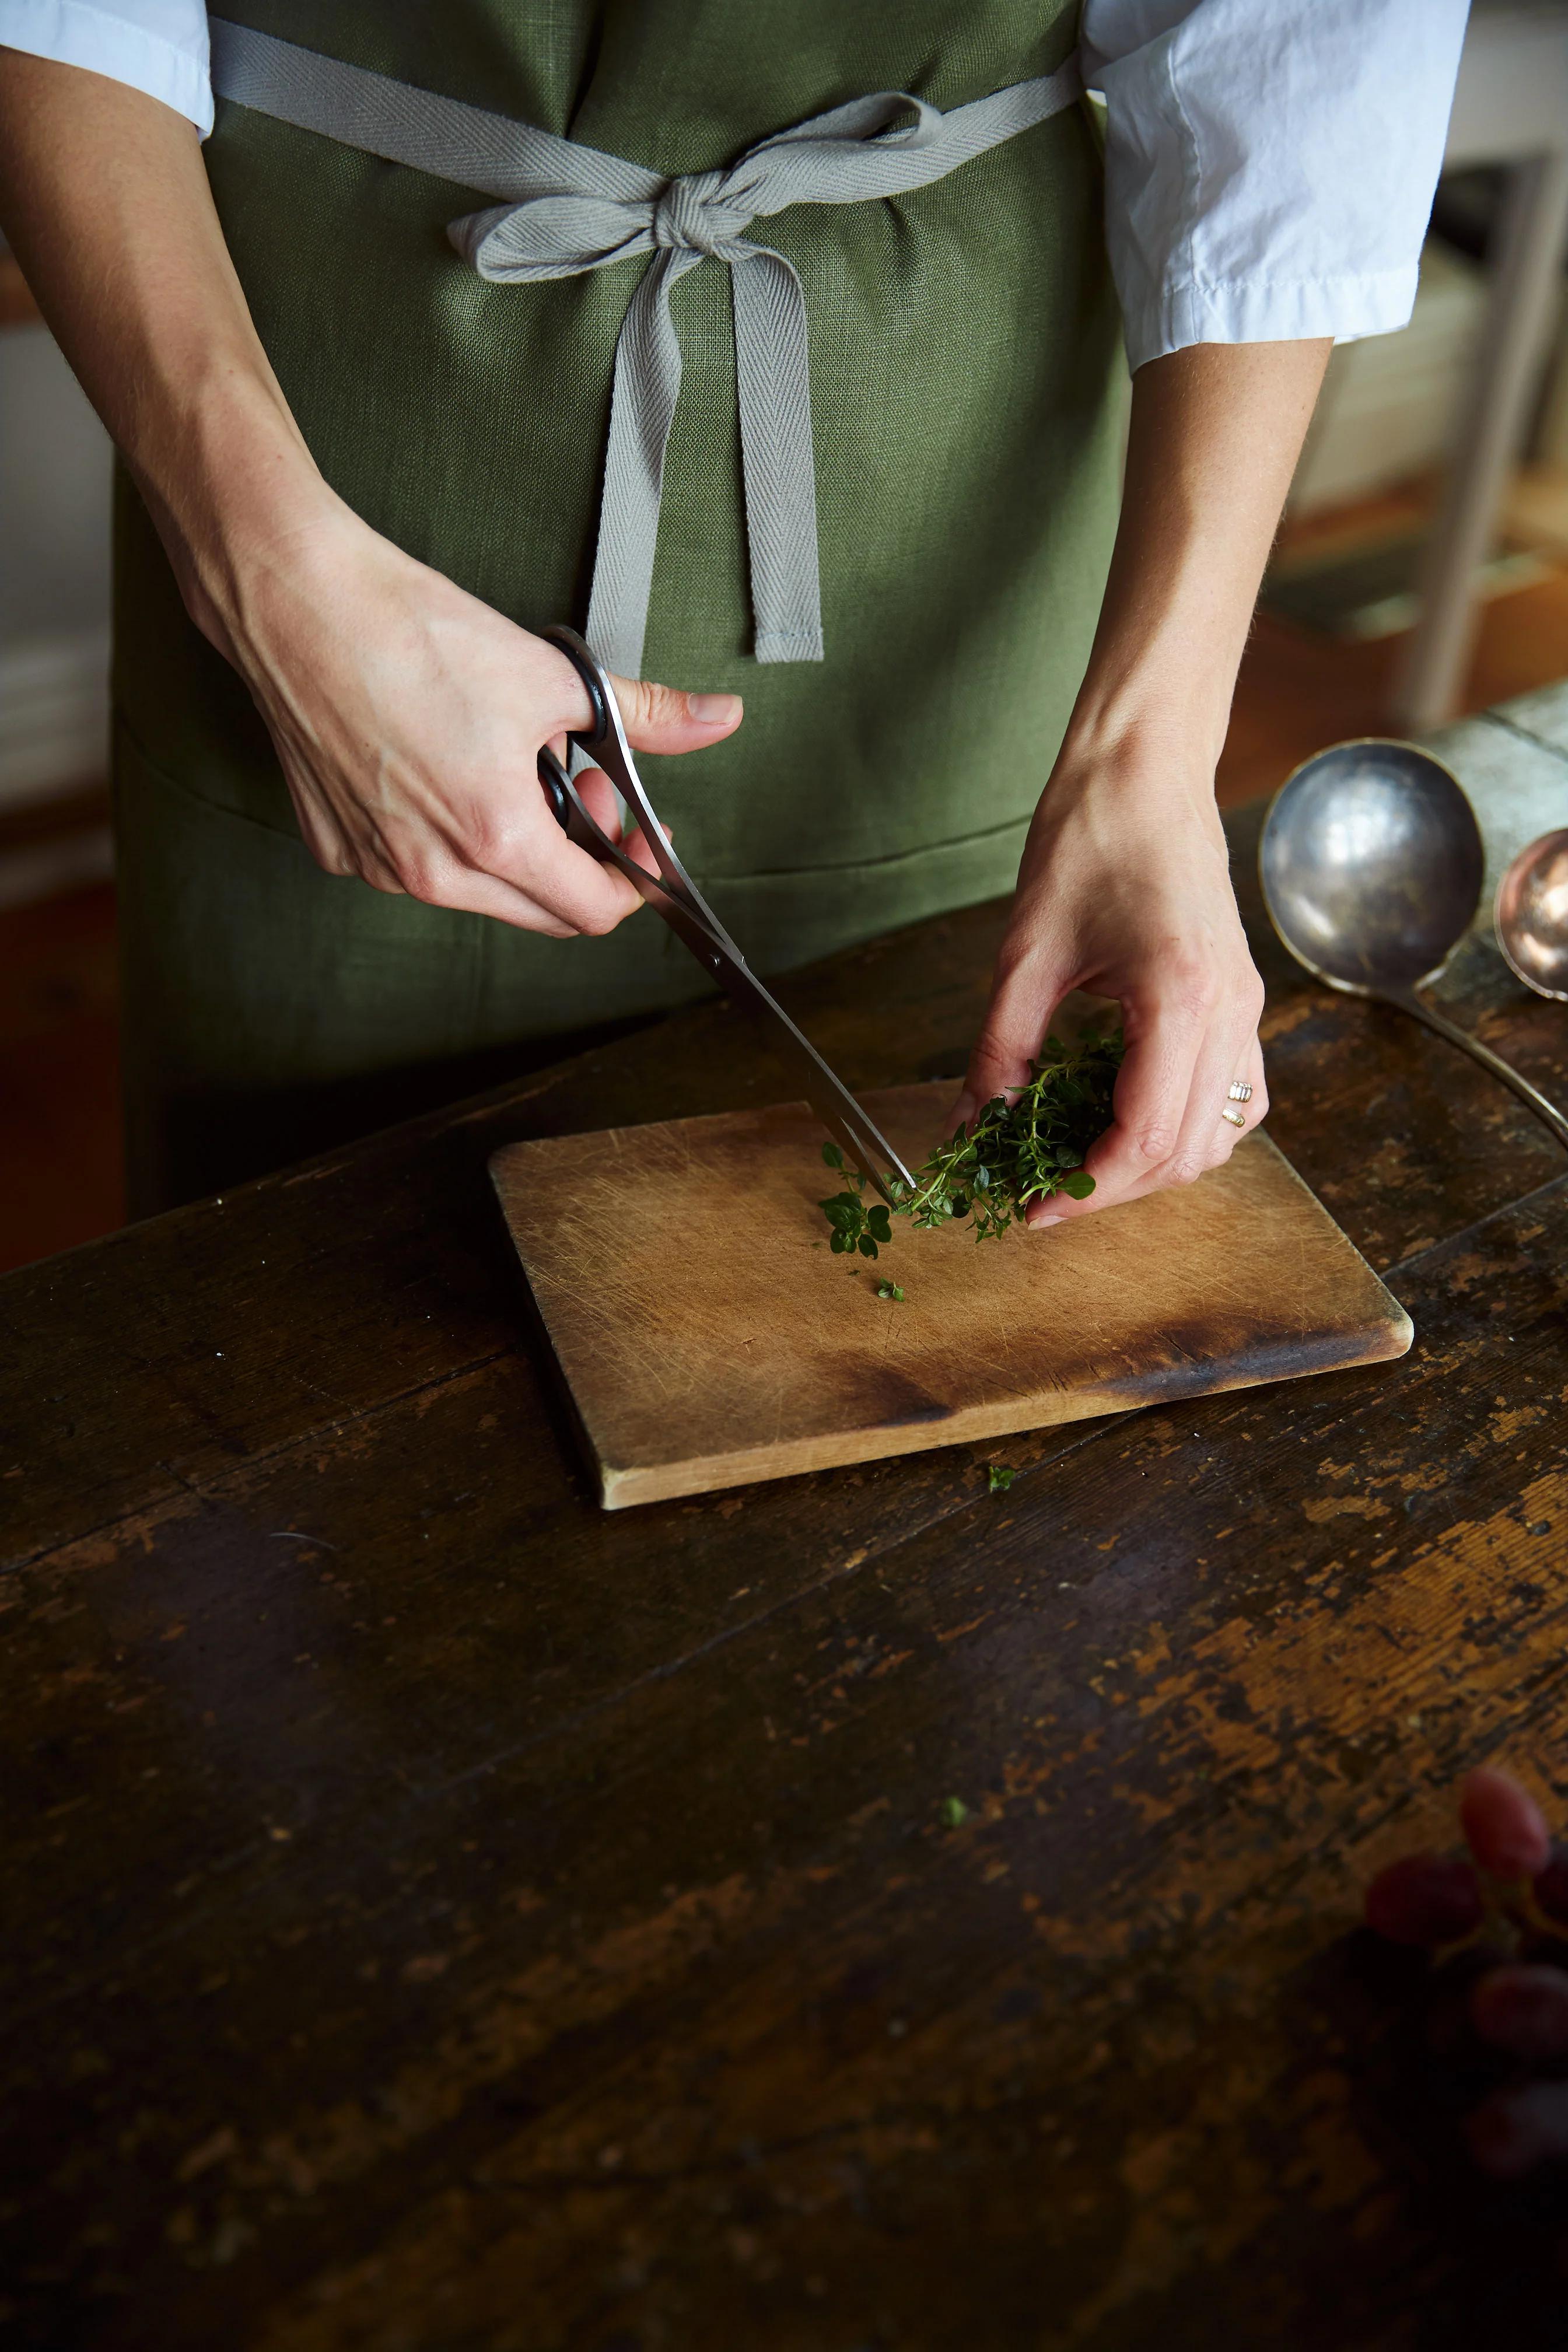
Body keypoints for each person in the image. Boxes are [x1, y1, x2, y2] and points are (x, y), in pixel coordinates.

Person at [0, 1, 1468, 1216]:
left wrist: (1153, 757)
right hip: (317, 496)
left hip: (945, 545)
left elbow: (1290, 51)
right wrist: (271, 579)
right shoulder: (284, 582)